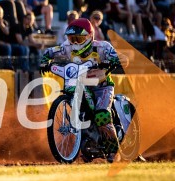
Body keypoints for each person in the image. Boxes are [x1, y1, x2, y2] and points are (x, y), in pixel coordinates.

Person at [39, 17, 123, 161]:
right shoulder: (66, 47)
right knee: (81, 110)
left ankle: (112, 151)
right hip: (79, 85)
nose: (75, 43)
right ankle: (87, 140)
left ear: (90, 36)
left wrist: (109, 62)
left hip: (102, 87)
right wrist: (44, 62)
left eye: (79, 39)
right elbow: (48, 52)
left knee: (101, 115)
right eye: (72, 39)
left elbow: (117, 57)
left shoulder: (102, 47)